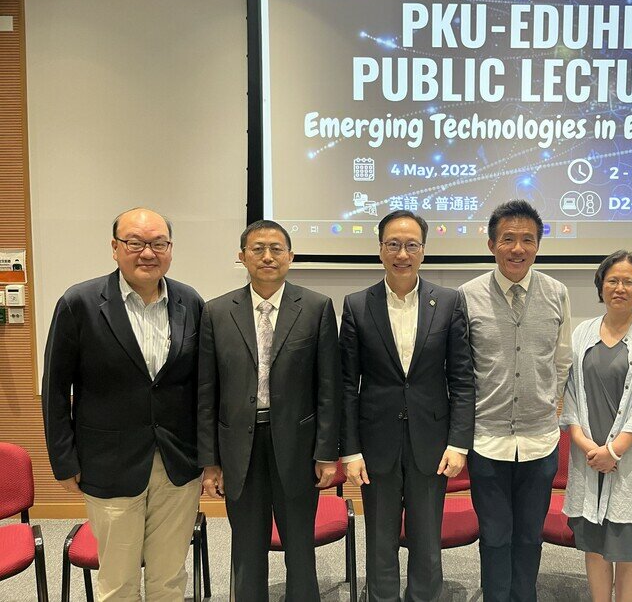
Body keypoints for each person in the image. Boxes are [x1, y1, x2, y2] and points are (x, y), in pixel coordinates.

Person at [42, 207, 203, 601]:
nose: (147, 253)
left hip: (178, 465)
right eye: (135, 242)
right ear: (115, 248)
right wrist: (64, 460)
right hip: (109, 464)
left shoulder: (190, 301)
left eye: (158, 243)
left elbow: (202, 385)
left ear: (170, 249)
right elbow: (56, 389)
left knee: (169, 578)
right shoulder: (78, 303)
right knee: (118, 582)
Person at [197, 220, 341, 602]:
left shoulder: (316, 308)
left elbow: (328, 388)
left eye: (276, 248)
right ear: (241, 257)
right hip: (238, 449)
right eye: (257, 249)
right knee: (246, 547)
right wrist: (210, 462)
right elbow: (206, 392)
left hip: (297, 444)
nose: (267, 256)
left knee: (299, 545)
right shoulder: (215, 312)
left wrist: (327, 453)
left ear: (290, 257)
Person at [339, 210, 475, 602]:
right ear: (380, 250)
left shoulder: (448, 302)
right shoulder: (357, 305)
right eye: (393, 244)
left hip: (432, 441)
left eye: (411, 245)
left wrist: (458, 443)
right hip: (375, 440)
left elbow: (462, 378)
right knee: (380, 540)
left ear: (423, 250)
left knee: (427, 538)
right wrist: (350, 449)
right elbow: (348, 384)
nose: (402, 253)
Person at [458, 199, 572, 602]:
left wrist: (547, 403)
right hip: (486, 440)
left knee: (529, 535)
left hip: (541, 441)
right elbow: (459, 370)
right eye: (508, 239)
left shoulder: (557, 293)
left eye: (527, 240)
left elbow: (561, 360)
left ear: (538, 245)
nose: (517, 248)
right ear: (491, 244)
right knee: (494, 536)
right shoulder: (466, 296)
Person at [560, 251, 632, 602]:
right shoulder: (582, 332)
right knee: (593, 547)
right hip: (588, 457)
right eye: (612, 280)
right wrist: (582, 441)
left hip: (629, 457)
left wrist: (614, 450)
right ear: (600, 285)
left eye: (629, 281)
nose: (619, 287)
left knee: (627, 550)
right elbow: (571, 392)